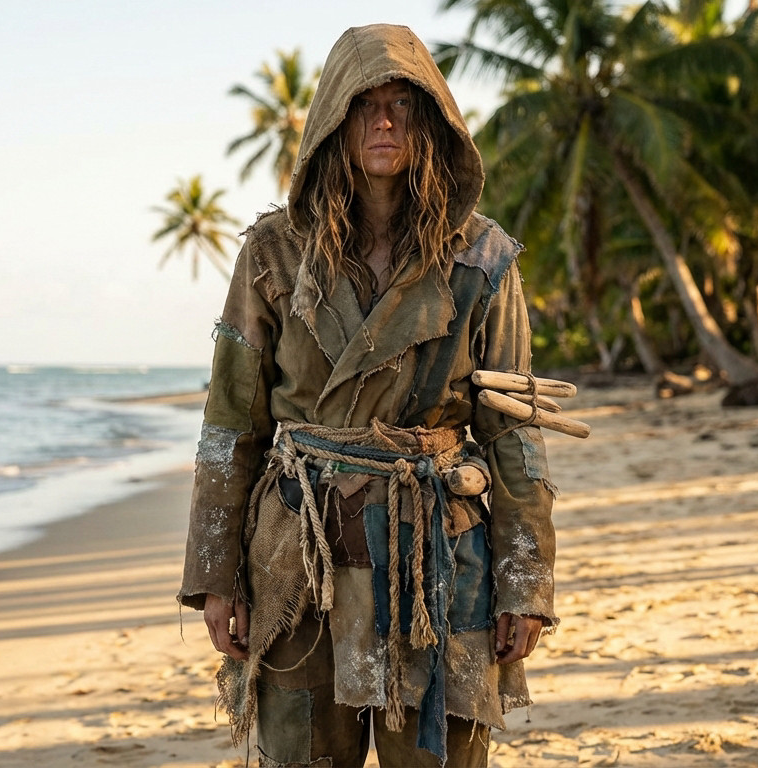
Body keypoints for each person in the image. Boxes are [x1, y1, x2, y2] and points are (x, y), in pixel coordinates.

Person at [178, 23, 557, 768]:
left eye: (403, 106)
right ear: (331, 122)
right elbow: (230, 424)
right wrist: (216, 574)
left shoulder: (483, 259)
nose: (384, 121)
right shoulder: (272, 253)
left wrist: (527, 578)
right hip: (300, 559)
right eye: (364, 105)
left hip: (437, 558)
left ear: (433, 123)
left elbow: (514, 435)